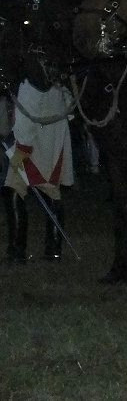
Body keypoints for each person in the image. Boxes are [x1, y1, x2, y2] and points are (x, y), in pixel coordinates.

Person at [3, 67, 75, 262]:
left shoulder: (31, 82)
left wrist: (22, 150)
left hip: (33, 144)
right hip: (52, 142)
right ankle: (53, 249)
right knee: (51, 191)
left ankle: (18, 251)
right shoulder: (55, 81)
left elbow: (27, 119)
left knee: (14, 189)